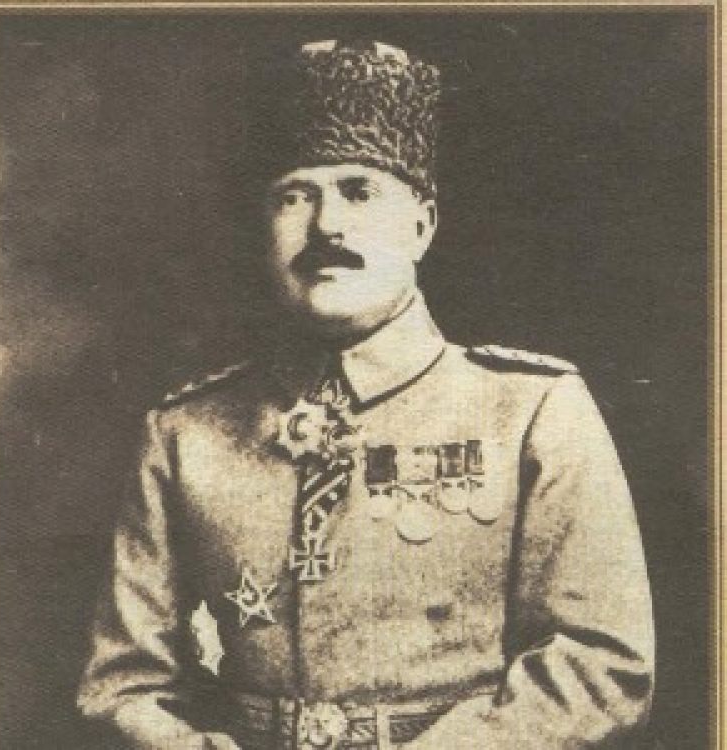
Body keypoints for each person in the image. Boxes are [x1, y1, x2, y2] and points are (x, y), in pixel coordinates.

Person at [77, 39, 655, 749]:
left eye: (360, 191)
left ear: (422, 225)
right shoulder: (184, 432)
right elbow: (123, 685)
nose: (327, 226)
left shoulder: (533, 409)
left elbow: (600, 664)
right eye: (294, 197)